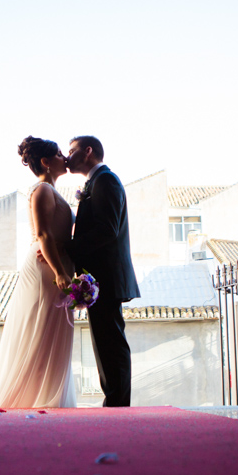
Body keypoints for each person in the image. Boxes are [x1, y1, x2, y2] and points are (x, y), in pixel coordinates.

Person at [0, 137, 77, 408]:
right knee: (40, 331)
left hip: (58, 263)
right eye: (60, 154)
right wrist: (60, 272)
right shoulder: (42, 191)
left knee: (52, 333)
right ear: (46, 162)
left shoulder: (52, 191)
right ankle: (25, 400)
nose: (65, 158)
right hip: (47, 269)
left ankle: (46, 399)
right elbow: (44, 234)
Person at [63, 136, 140, 406]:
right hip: (100, 278)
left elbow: (108, 229)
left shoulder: (106, 180)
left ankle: (118, 405)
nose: (67, 156)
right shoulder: (96, 183)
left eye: (71, 151)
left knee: (111, 344)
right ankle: (115, 402)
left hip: (106, 278)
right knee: (105, 343)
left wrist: (68, 248)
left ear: (88, 151)